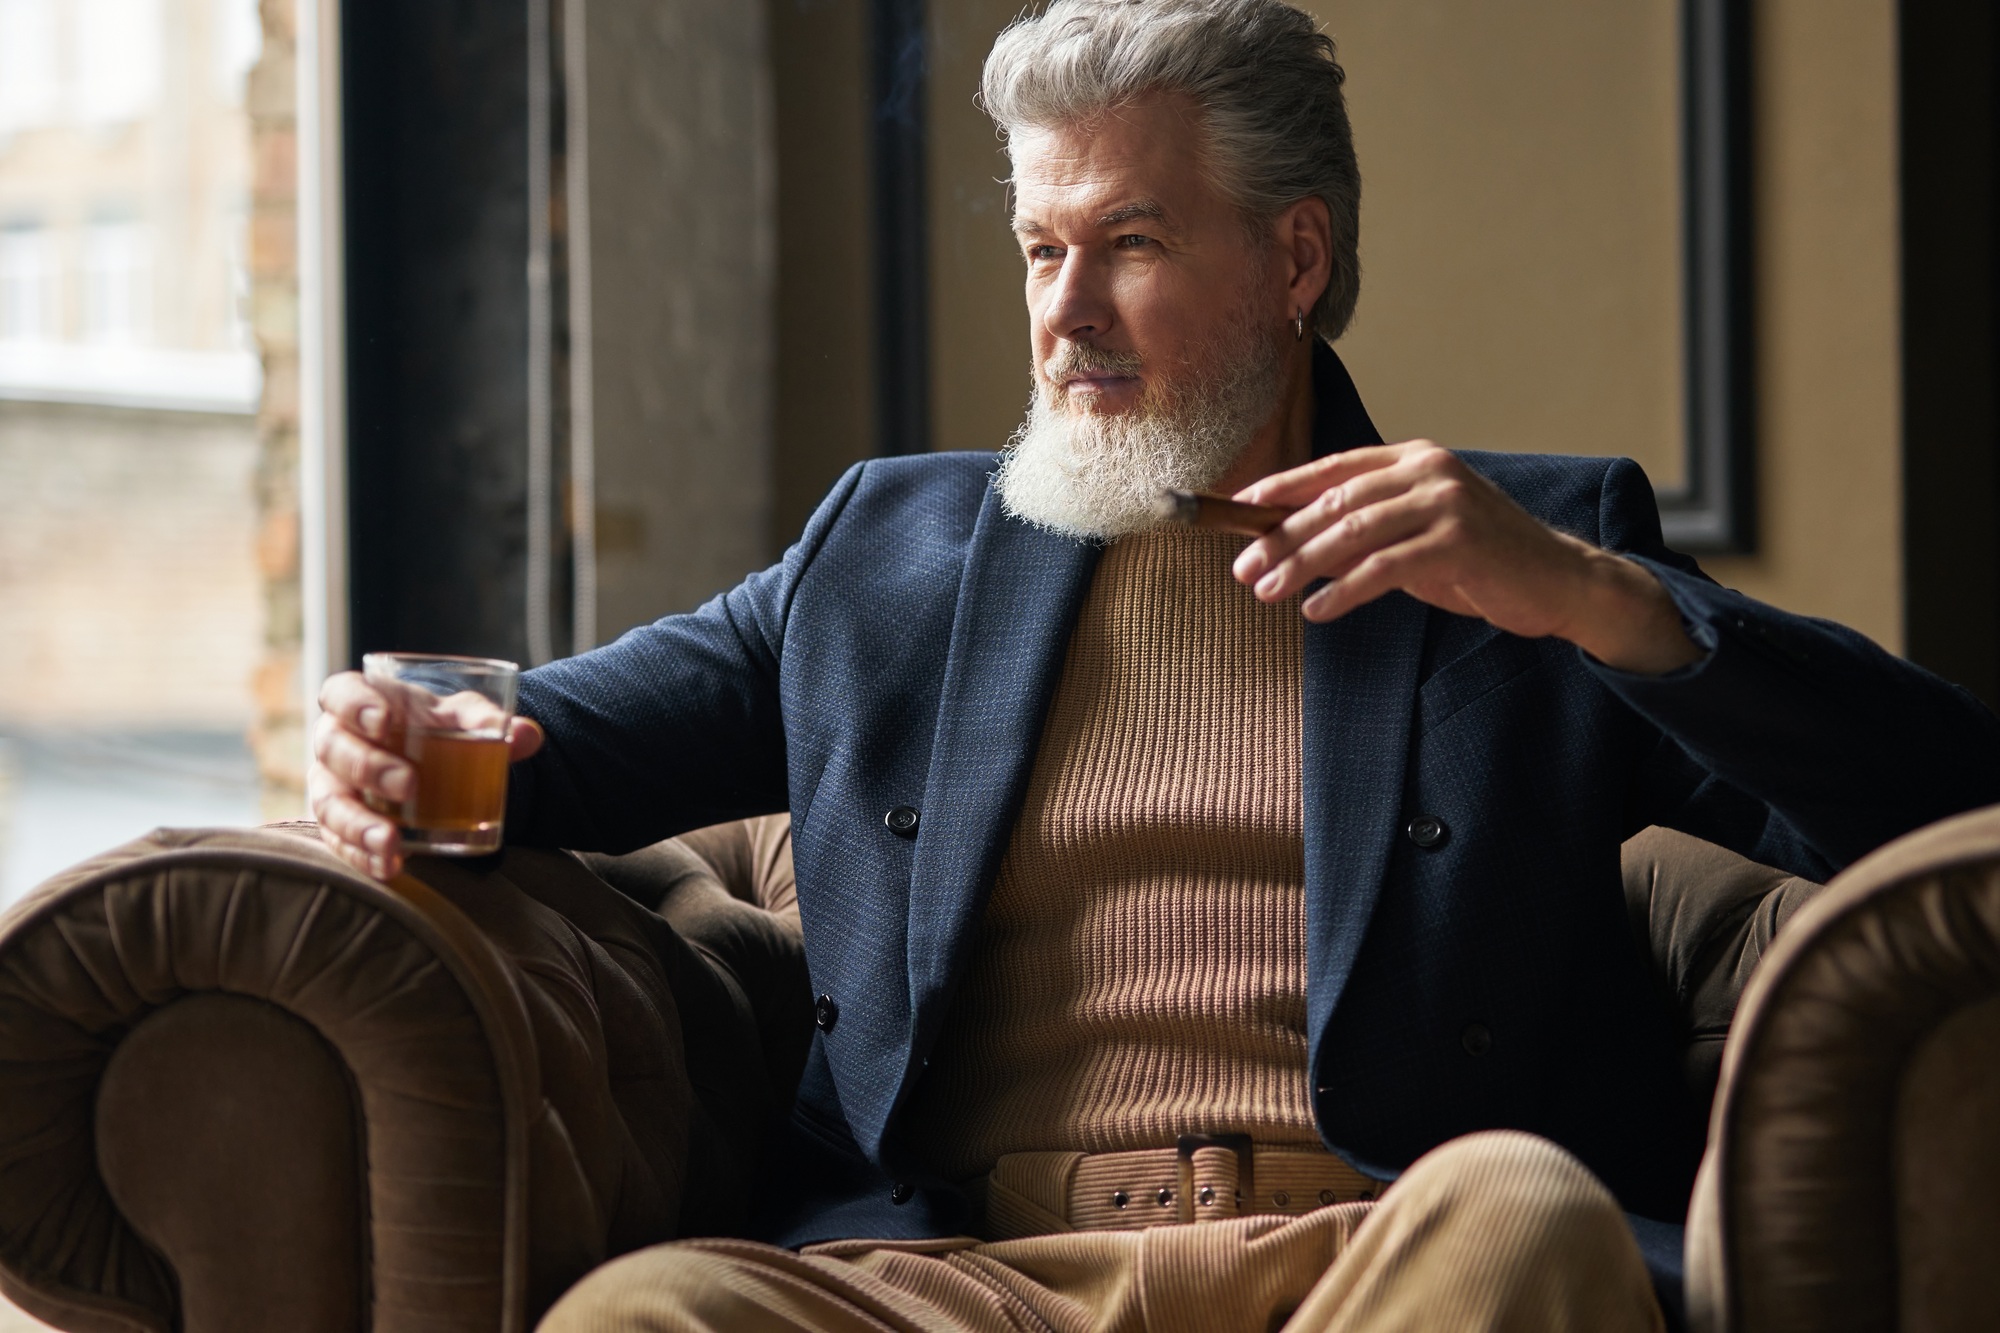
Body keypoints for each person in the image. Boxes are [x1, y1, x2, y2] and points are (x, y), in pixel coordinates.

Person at [310, 2, 2000, 1328]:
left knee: (1527, 1215)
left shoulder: (1525, 553)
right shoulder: (884, 555)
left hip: (1379, 1254)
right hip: (978, 1277)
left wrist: (1596, 600)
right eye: (1043, 249)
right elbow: (549, 739)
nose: (1065, 311)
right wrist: (400, 735)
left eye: (1129, 240)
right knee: (651, 1309)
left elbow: (1942, 804)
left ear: (1295, 258)